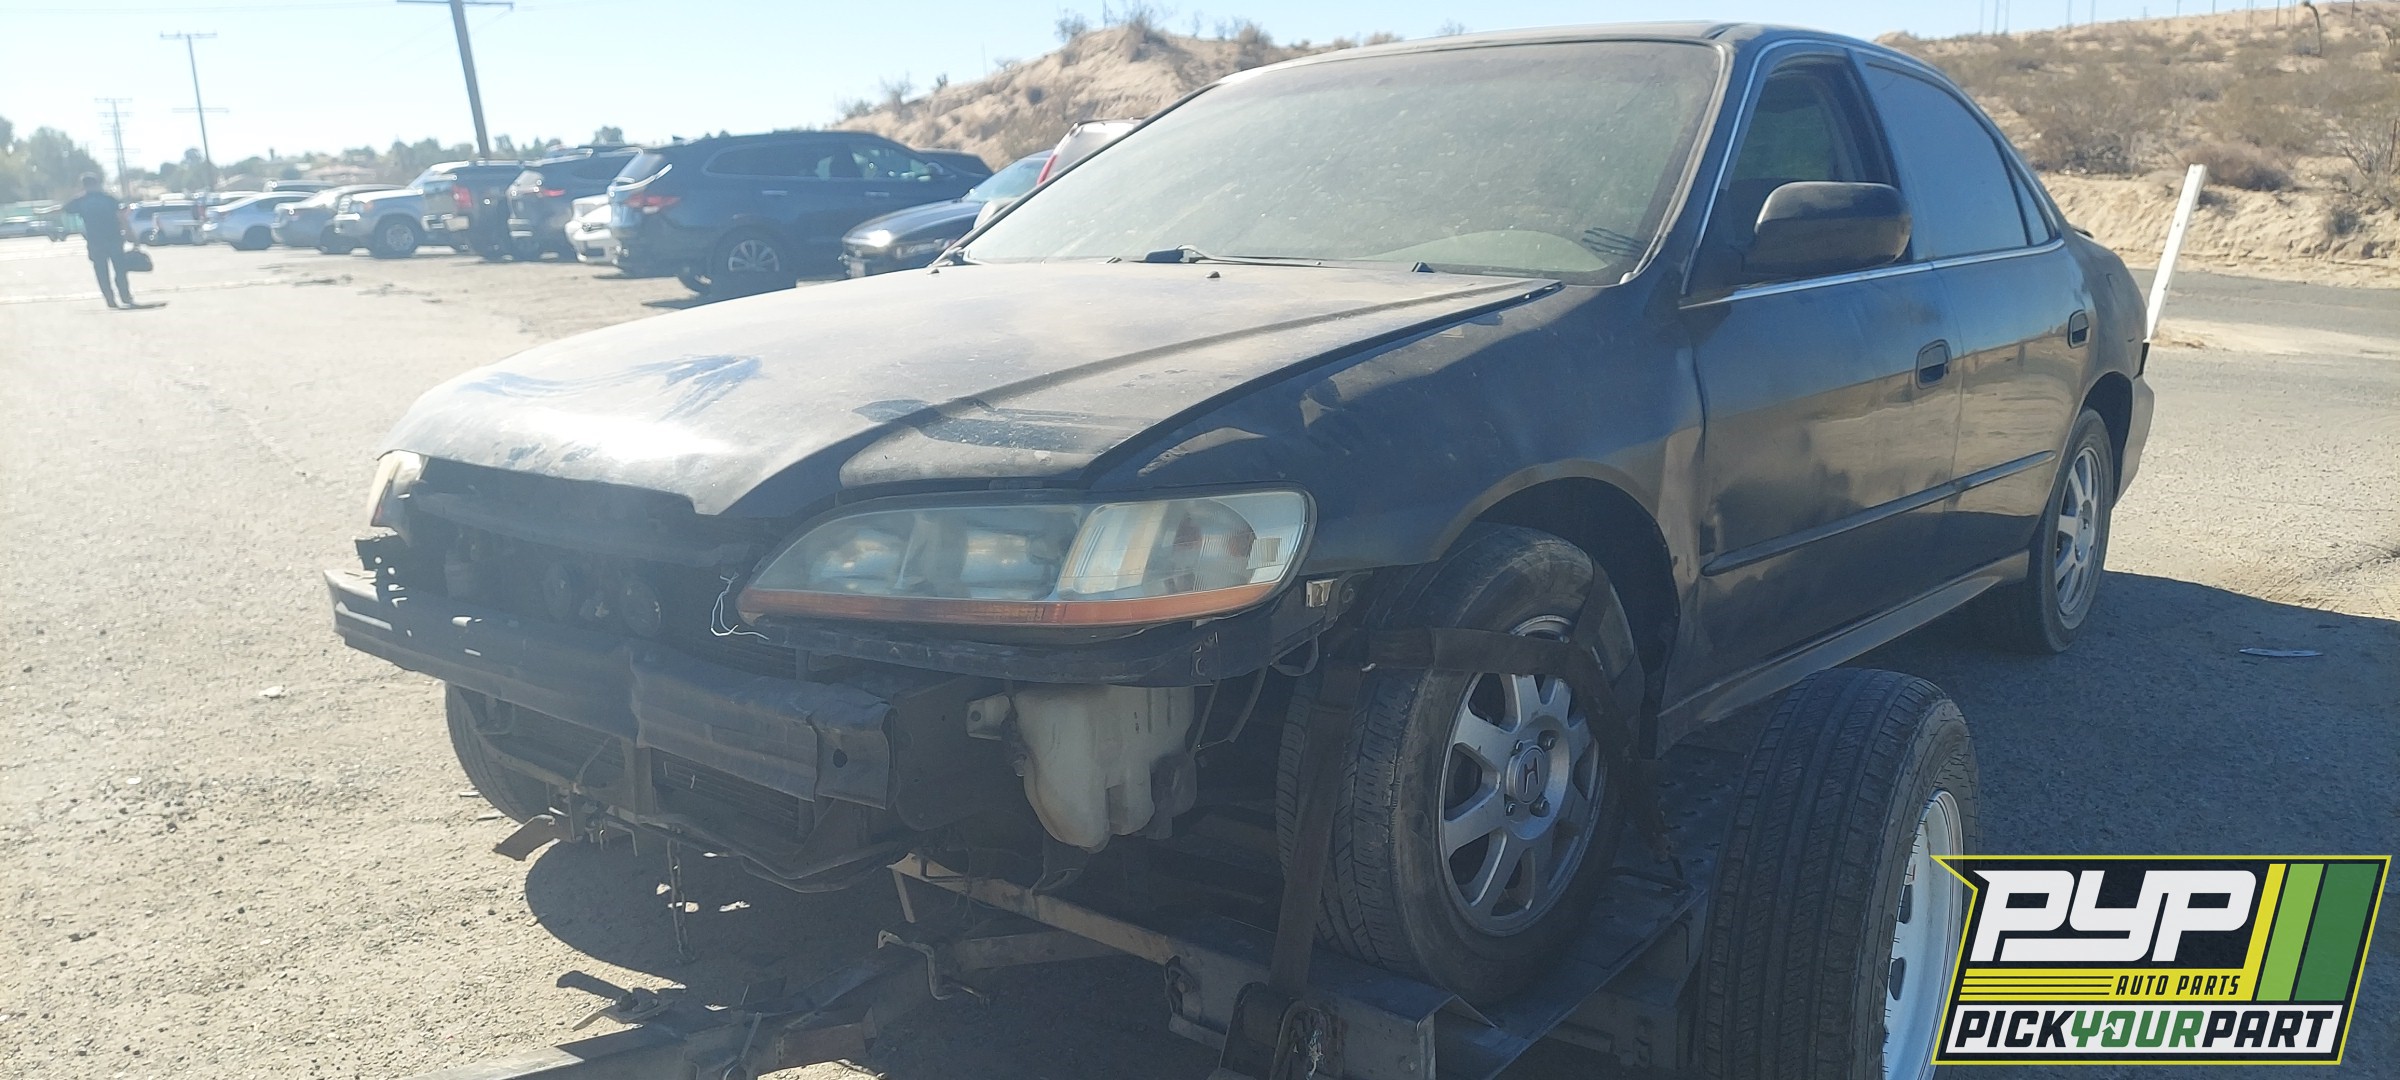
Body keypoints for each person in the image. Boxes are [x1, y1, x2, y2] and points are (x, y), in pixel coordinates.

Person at [64, 173, 137, 309]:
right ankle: (125, 296)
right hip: (114, 238)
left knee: (101, 271)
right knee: (120, 269)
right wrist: (130, 234)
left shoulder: (81, 201)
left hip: (95, 241)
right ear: (97, 183)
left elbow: (66, 209)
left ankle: (109, 298)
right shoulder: (108, 199)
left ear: (83, 186)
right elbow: (121, 216)